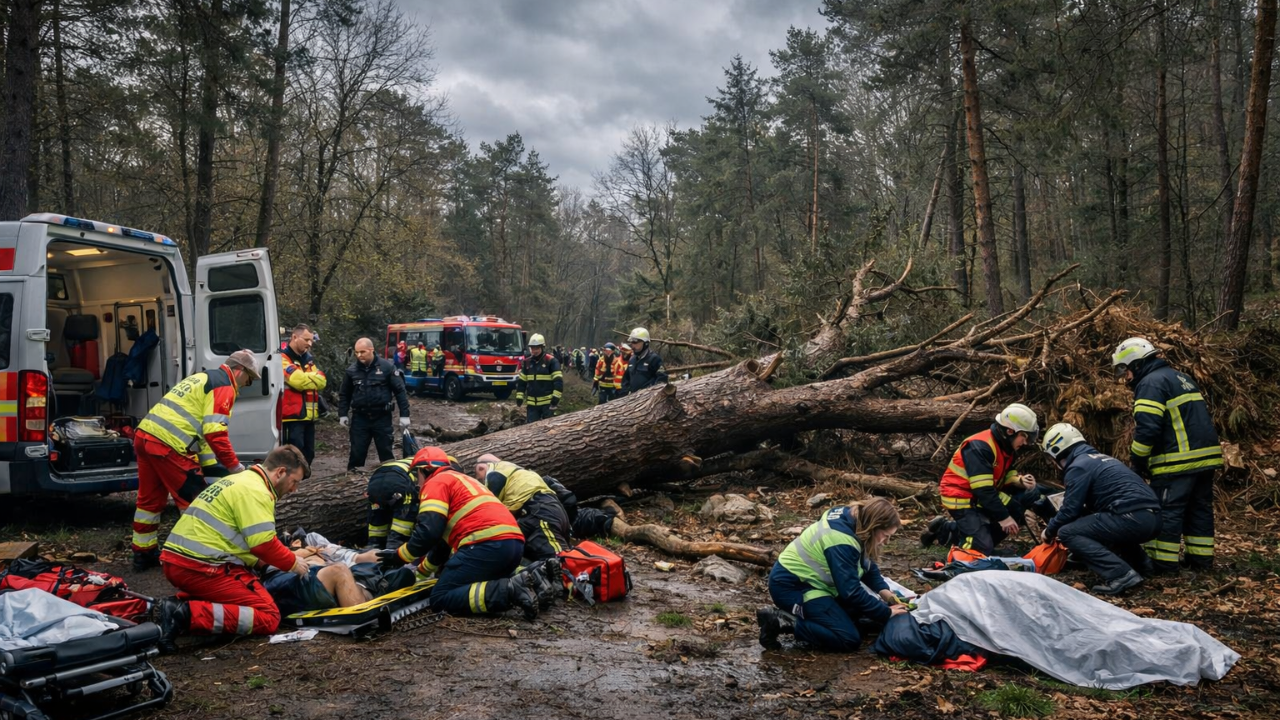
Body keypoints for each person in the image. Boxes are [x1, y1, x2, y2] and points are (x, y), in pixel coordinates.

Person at [154, 446, 312, 651]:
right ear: (280, 472)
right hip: (202, 567)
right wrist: (292, 563)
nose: (294, 489)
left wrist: (259, 561)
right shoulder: (256, 492)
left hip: (179, 561)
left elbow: (238, 538)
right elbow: (263, 544)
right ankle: (185, 613)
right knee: (269, 617)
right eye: (294, 482)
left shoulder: (240, 480)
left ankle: (181, 607)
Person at [380, 447, 559, 620]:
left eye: (415, 475)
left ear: (425, 470)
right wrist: (421, 572)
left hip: (485, 545)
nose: (416, 482)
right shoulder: (463, 481)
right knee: (479, 580)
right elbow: (442, 545)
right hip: (513, 544)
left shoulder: (436, 482)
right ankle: (534, 578)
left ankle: (510, 591)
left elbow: (428, 532)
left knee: (441, 597)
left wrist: (399, 556)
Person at [130, 349, 261, 571]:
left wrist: (214, 469)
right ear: (239, 371)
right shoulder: (225, 386)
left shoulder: (202, 377)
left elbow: (202, 436)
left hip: (145, 437)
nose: (246, 385)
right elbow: (215, 433)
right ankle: (194, 556)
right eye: (248, 380)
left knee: (149, 502)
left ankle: (144, 553)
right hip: (169, 445)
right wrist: (235, 468)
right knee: (197, 503)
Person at [1112, 337, 1223, 572]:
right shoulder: (1180, 377)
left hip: (1176, 462)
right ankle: (1200, 561)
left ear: (1137, 364)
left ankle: (1163, 563)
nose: (1126, 377)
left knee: (1168, 510)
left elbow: (1147, 428)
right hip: (1205, 459)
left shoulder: (1150, 384)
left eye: (1126, 370)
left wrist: (1137, 462)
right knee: (1199, 510)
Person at [757, 497, 909, 651]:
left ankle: (819, 619)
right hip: (794, 588)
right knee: (848, 639)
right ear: (873, 526)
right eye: (885, 535)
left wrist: (886, 594)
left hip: (816, 584)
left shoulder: (853, 518)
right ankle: (782, 622)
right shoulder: (841, 541)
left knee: (864, 615)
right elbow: (851, 592)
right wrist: (886, 612)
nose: (886, 542)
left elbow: (866, 564)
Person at [1040, 423, 1162, 595]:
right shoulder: (1101, 459)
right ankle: (1142, 566)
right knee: (1106, 523)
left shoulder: (1078, 467)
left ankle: (1121, 575)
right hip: (1152, 518)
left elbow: (1070, 510)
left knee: (1068, 532)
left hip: (1131, 517)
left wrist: (1049, 531)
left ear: (1057, 451)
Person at [921, 403, 1043, 556]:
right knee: (981, 549)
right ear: (1010, 431)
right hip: (961, 497)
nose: (1025, 443)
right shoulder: (980, 446)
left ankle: (949, 529)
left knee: (1017, 510)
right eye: (1024, 437)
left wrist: (1018, 481)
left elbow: (1007, 470)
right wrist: (1004, 518)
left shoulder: (1006, 445)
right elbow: (983, 490)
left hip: (981, 494)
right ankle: (965, 540)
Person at [475, 454, 572, 562]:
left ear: (481, 468)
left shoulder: (494, 473)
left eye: (480, 479)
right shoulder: (518, 471)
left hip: (537, 513)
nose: (482, 482)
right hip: (549, 510)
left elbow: (492, 508)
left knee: (558, 562)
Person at [339, 338, 411, 472]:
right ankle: (351, 482)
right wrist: (342, 414)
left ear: (371, 350)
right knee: (357, 452)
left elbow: (400, 391)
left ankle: (390, 480)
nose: (359, 355)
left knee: (386, 453)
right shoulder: (351, 371)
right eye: (357, 352)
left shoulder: (387, 368)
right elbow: (345, 394)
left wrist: (404, 415)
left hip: (382, 417)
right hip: (360, 418)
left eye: (363, 352)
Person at [280, 324, 326, 464]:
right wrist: (313, 378)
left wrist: (308, 379)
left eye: (311, 340)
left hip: (309, 417)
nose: (309, 344)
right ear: (294, 337)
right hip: (292, 418)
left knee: (308, 455)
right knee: (293, 457)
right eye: (306, 339)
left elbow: (323, 381)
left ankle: (297, 483)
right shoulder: (282, 357)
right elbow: (297, 381)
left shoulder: (307, 358)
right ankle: (290, 484)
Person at [365, 458, 418, 552]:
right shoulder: (430, 465)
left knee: (377, 514)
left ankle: (373, 547)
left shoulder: (411, 459)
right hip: (398, 481)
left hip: (375, 482)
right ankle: (393, 548)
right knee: (404, 518)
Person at [515, 334, 563, 423]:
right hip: (532, 405)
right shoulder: (527, 363)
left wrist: (555, 399)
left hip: (547, 404)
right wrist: (519, 397)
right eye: (532, 348)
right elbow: (522, 382)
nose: (534, 351)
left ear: (542, 347)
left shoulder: (551, 361)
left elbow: (558, 382)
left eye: (536, 348)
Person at [623, 327, 667, 393]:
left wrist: (650, 392)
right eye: (632, 342)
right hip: (633, 399)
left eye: (636, 342)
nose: (633, 346)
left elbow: (662, 380)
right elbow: (625, 380)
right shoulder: (632, 360)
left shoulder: (654, 359)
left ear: (645, 343)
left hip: (648, 399)